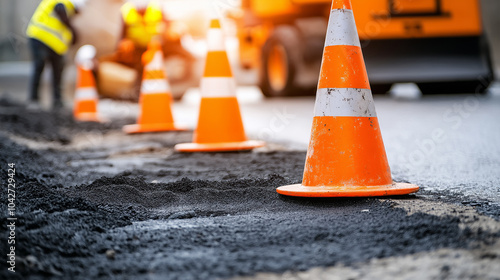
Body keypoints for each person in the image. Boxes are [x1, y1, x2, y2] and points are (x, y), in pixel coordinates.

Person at [26, 0, 87, 110]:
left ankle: (57, 101)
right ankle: (33, 100)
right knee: (39, 67)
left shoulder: (67, 16)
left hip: (54, 46)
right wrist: (73, 31)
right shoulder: (63, 3)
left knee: (58, 71)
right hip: (40, 37)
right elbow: (60, 10)